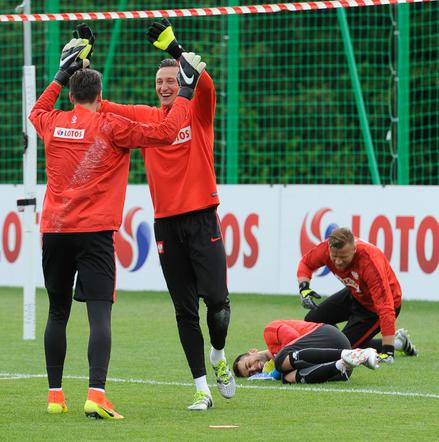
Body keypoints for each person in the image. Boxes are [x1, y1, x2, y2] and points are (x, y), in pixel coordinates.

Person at [29, 30, 206, 419]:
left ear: (72, 94)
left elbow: (35, 111)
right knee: (99, 315)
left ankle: (55, 397)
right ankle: (96, 394)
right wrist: (187, 95)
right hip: (93, 235)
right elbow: (164, 132)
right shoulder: (110, 126)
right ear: (99, 95)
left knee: (57, 313)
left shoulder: (53, 122)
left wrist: (60, 75)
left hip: (54, 232)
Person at [93, 19, 235, 411]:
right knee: (184, 309)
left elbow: (205, 84)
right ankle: (201, 389)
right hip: (166, 225)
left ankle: (219, 356)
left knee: (218, 305)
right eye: (160, 82)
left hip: (203, 217)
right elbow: (105, 107)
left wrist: (175, 50)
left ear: (181, 82)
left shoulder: (197, 112)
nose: (165, 86)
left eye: (171, 80)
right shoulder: (149, 119)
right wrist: (79, 75)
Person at [297, 227, 418, 363]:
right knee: (312, 321)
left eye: (343, 257)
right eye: (334, 256)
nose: (337, 262)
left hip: (377, 308)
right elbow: (306, 263)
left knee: (341, 347)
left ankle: (392, 344)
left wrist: (388, 351)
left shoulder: (370, 262)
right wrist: (304, 288)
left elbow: (385, 306)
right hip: (356, 294)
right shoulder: (325, 249)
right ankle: (398, 342)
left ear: (354, 250)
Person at [233, 319, 379, 383]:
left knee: (281, 363)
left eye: (248, 365)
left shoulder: (269, 331)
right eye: (251, 373)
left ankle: (348, 354)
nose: (254, 368)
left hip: (330, 336)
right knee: (288, 379)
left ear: (252, 351)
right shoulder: (282, 364)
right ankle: (343, 364)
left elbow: (294, 338)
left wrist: (276, 371)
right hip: (342, 371)